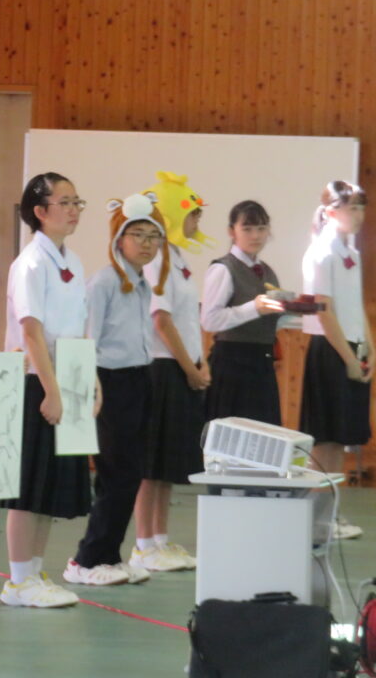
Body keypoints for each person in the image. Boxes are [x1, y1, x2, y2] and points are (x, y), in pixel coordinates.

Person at [0, 173, 96, 608]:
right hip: (36, 381)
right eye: (65, 202)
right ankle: (18, 580)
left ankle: (35, 572)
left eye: (77, 202)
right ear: (40, 211)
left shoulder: (71, 260)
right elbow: (31, 330)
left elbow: (78, 327)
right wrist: (50, 391)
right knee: (29, 485)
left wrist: (90, 380)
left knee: (49, 486)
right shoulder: (31, 263)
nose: (74, 210)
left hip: (68, 376)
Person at [64, 193, 169, 586]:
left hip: (139, 377)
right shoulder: (105, 281)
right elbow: (88, 334)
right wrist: (92, 386)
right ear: (119, 239)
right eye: (137, 234)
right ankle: (87, 559)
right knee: (115, 472)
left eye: (153, 236)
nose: (146, 243)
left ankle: (109, 554)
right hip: (110, 381)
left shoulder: (141, 282)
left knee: (131, 472)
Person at [132, 173, 210, 573]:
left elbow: (188, 318)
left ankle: (160, 539)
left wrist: (201, 360)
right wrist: (188, 367)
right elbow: (161, 320)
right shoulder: (158, 260)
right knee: (151, 464)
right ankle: (144, 543)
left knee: (167, 464)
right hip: (162, 368)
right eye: (193, 214)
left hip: (182, 367)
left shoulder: (177, 258)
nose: (197, 221)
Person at [300, 180, 373, 540]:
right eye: (351, 208)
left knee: (340, 438)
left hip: (351, 347)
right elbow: (324, 311)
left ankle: (330, 514)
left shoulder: (351, 253)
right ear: (330, 212)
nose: (359, 215)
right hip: (330, 350)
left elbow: (355, 305)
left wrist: (369, 347)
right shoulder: (321, 252)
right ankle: (315, 519)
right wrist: (347, 357)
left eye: (361, 207)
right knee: (324, 439)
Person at [200, 201, 286, 425]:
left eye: (261, 228)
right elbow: (209, 320)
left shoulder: (268, 271)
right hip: (232, 364)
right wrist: (253, 308)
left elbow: (268, 321)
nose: (255, 235)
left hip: (262, 363)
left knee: (264, 434)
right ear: (232, 231)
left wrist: (293, 310)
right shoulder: (223, 269)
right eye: (247, 229)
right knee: (230, 436)